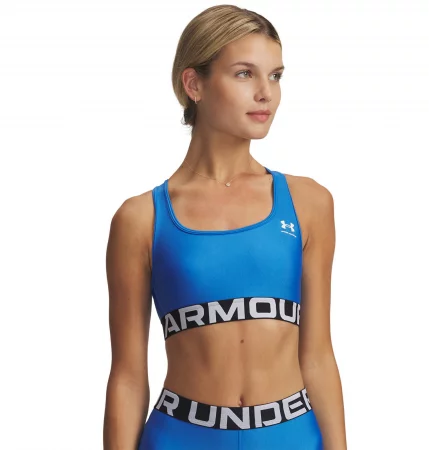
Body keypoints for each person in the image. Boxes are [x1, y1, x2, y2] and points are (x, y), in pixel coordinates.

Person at [103, 5, 346, 450]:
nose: (265, 93)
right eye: (244, 74)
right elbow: (128, 376)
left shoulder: (309, 203)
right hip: (179, 438)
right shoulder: (140, 220)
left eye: (275, 76)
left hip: (291, 438)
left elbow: (318, 356)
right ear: (193, 84)